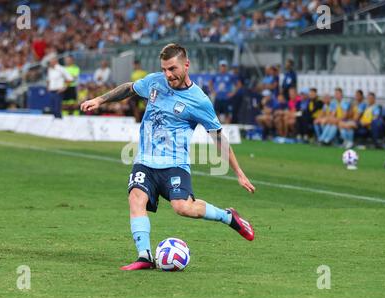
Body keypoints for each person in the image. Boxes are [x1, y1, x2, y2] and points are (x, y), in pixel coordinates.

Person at [80, 43, 256, 271]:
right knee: (136, 197)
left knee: (183, 208)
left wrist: (239, 173)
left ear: (186, 65)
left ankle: (228, 217)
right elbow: (130, 88)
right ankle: (144, 256)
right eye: (164, 69)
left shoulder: (199, 101)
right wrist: (100, 100)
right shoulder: (155, 81)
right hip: (145, 160)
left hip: (174, 165)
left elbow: (218, 138)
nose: (168, 75)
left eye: (172, 69)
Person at [210, 60, 237, 124]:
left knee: (227, 114)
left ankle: (227, 129)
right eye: (222, 66)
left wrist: (233, 93)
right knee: (216, 114)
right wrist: (213, 91)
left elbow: (238, 84)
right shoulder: (216, 75)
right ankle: (219, 129)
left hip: (226, 98)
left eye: (224, 66)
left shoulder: (230, 75)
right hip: (218, 97)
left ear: (226, 67)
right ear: (219, 67)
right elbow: (210, 83)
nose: (223, 67)